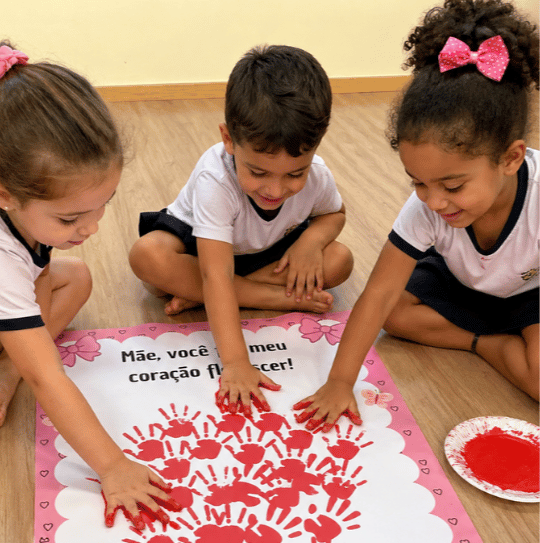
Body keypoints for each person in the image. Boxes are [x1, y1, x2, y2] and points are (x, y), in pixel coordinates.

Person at [295, 0, 539, 433]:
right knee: (395, 315)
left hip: (527, 296)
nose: (435, 202)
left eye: (453, 186)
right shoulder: (427, 206)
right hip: (460, 283)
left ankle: (500, 341)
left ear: (510, 158)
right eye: (418, 183)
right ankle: (486, 343)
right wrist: (340, 382)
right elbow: (378, 295)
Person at [0, 43, 181, 529]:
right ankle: (14, 361)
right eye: (70, 218)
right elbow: (48, 379)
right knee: (36, 358)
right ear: (4, 194)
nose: (93, 227)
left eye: (105, 203)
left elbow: (40, 273)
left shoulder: (25, 211)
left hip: (11, 297)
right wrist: (113, 465)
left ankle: (10, 366)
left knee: (77, 276)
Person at [129, 45, 353, 416]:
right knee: (147, 257)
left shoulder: (318, 174)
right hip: (201, 252)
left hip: (264, 254)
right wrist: (235, 363)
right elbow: (215, 274)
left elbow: (335, 214)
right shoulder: (215, 179)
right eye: (258, 172)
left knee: (339, 260)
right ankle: (275, 298)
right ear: (228, 139)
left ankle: (205, 297)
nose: (275, 190)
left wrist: (312, 241)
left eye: (294, 174)